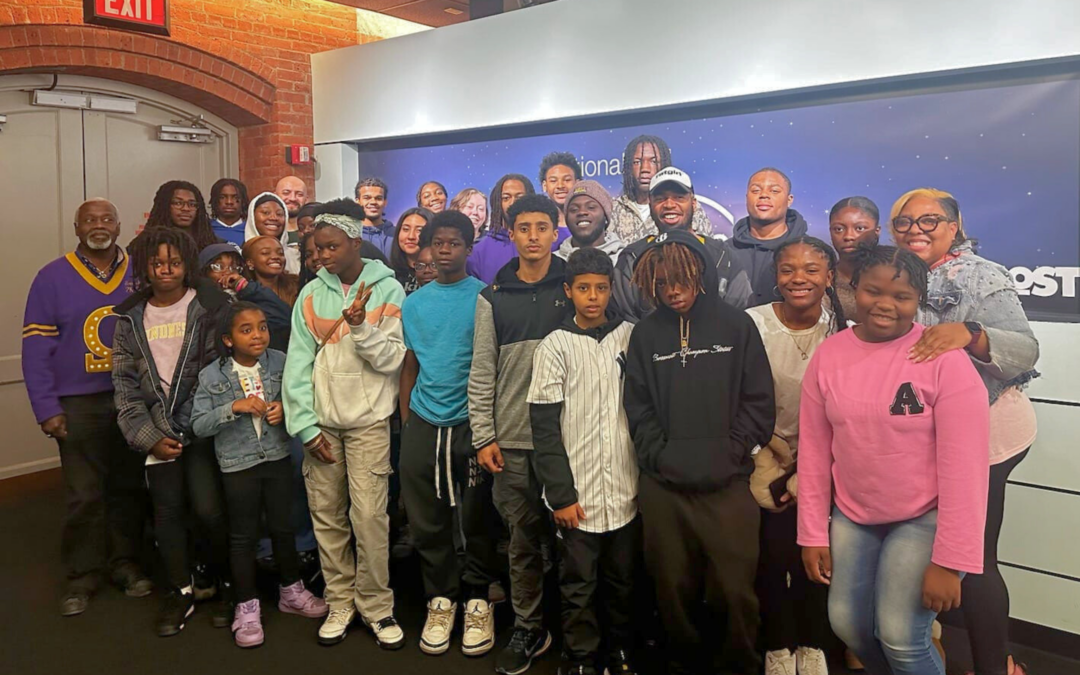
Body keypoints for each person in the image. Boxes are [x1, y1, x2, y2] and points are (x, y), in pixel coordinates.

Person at [799, 245, 991, 675]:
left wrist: (950, 561)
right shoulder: (830, 355)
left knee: (902, 638)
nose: (885, 304)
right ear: (854, 290)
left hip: (924, 517)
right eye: (873, 291)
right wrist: (812, 532)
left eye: (902, 297)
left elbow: (967, 471)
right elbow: (814, 452)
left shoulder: (943, 359)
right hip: (854, 515)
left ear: (918, 301)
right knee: (849, 626)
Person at [890, 188, 1039, 675]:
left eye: (929, 221)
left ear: (955, 226)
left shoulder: (980, 274)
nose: (916, 230)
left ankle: (996, 666)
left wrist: (972, 334)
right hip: (931, 437)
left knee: (971, 559)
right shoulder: (898, 273)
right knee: (941, 554)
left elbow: (1024, 350)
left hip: (988, 435)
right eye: (905, 222)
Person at [622, 229, 774, 675]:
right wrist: (660, 456)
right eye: (663, 283)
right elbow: (638, 407)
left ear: (701, 272)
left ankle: (741, 666)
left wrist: (731, 452)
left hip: (727, 485)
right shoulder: (646, 334)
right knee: (672, 591)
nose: (673, 291)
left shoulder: (735, 325)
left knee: (734, 591)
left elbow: (758, 401)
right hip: (664, 486)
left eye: (681, 280)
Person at [282, 204, 407, 649]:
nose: (324, 256)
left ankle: (376, 605)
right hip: (321, 425)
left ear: (356, 243)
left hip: (370, 423)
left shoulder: (388, 289)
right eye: (317, 250)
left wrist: (360, 328)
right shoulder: (312, 294)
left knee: (371, 517)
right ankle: (340, 600)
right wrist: (304, 425)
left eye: (332, 247)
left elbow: (393, 359)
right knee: (327, 516)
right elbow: (297, 364)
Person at [22, 198, 150, 617]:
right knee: (84, 493)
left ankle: (126, 563)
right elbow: (37, 348)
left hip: (130, 398)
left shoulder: (140, 270)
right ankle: (82, 574)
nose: (99, 225)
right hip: (77, 403)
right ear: (77, 228)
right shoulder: (51, 277)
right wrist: (46, 408)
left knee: (128, 488)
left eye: (107, 218)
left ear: (119, 225)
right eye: (90, 220)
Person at [469, 193, 572, 674]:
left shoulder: (572, 288)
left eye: (541, 227)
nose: (533, 236)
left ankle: (578, 630)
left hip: (570, 439)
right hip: (511, 439)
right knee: (522, 540)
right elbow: (482, 370)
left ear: (557, 231)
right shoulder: (491, 297)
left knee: (576, 543)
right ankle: (529, 626)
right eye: (523, 228)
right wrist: (483, 435)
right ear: (510, 234)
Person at [111, 227, 232, 637]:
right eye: (158, 263)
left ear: (186, 266)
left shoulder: (208, 307)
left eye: (174, 263)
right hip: (157, 434)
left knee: (209, 510)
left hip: (201, 429)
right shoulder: (129, 318)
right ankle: (180, 591)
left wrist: (197, 422)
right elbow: (125, 386)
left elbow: (221, 370)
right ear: (146, 267)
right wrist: (148, 436)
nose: (166, 270)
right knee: (167, 513)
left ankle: (218, 584)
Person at [528, 247, 639, 675]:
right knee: (578, 585)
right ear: (568, 291)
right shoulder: (555, 346)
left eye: (601, 288)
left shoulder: (630, 336)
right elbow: (544, 427)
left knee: (622, 582)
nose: (593, 297)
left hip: (626, 492)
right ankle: (580, 657)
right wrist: (560, 494)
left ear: (612, 289)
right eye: (583, 289)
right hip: (578, 495)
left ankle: (620, 653)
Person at [191, 303, 328, 648]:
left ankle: (291, 590)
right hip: (238, 464)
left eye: (262, 327)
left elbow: (303, 395)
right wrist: (231, 407)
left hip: (278, 457)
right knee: (243, 535)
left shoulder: (281, 362)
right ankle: (246, 605)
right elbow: (197, 425)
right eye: (246, 329)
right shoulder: (211, 376)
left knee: (284, 527)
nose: (258, 335)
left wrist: (287, 408)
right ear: (227, 339)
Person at [398, 211, 501, 657]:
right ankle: (441, 598)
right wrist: (406, 421)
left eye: (454, 243)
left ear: (468, 247)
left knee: (478, 516)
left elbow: (491, 368)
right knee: (426, 517)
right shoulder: (414, 303)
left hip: (471, 422)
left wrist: (487, 427)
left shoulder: (485, 297)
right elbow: (410, 363)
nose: (445, 250)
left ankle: (477, 597)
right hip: (424, 419)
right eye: (437, 243)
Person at [746, 237, 845, 675]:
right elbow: (734, 398)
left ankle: (813, 643)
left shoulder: (842, 331)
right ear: (775, 275)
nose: (798, 279)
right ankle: (777, 644)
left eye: (810, 270)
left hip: (823, 462)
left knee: (816, 554)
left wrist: (809, 469)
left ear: (829, 277)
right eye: (788, 269)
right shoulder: (750, 324)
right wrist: (767, 455)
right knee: (769, 557)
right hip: (762, 458)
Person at [612, 167, 752, 322]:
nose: (669, 204)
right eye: (660, 198)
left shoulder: (723, 256)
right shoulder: (633, 257)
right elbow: (626, 321)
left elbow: (739, 315)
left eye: (679, 197)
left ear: (693, 203)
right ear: (650, 205)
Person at [729, 168, 810, 307]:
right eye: (756, 190)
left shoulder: (809, 251)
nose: (764, 195)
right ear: (746, 197)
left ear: (789, 200)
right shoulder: (725, 251)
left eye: (774, 191)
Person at [610, 135, 713, 242]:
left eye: (653, 161)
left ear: (664, 164)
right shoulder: (614, 210)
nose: (645, 169)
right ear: (628, 167)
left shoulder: (689, 209)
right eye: (637, 162)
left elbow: (706, 250)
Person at [200, 242, 292, 352]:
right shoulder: (198, 303)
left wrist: (247, 287)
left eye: (234, 267)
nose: (228, 272)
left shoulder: (247, 297)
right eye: (218, 266)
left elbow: (283, 319)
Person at [466, 174, 536, 284]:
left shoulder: (545, 244)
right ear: (498, 202)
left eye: (519, 197)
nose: (512, 203)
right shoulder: (478, 253)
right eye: (506, 198)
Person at [827, 196, 881, 319]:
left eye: (859, 228)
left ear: (877, 231)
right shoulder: (823, 280)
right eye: (838, 229)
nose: (848, 236)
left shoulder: (895, 277)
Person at [556, 180, 624, 265]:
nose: (582, 212)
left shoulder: (625, 261)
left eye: (591, 207)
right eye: (574, 209)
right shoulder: (552, 263)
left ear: (605, 215)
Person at [145, 180, 220, 251]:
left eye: (192, 204)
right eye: (178, 203)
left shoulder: (211, 244)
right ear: (164, 206)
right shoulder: (147, 243)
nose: (186, 209)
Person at [245, 192, 301, 275]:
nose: (274, 218)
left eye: (279, 214)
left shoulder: (296, 256)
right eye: (266, 212)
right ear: (252, 217)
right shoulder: (240, 256)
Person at [242, 236, 300, 309]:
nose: (275, 257)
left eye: (280, 253)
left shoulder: (297, 285)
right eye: (265, 253)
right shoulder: (246, 293)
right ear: (250, 262)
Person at [388, 207, 435, 294]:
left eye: (419, 230)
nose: (411, 236)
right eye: (405, 229)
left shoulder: (441, 273)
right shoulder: (389, 273)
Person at [356, 177, 396, 258]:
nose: (373, 202)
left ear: (385, 202)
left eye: (378, 198)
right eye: (367, 198)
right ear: (358, 201)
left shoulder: (397, 234)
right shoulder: (349, 235)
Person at [209, 178, 250, 247]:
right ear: (215, 200)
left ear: (243, 201)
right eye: (222, 197)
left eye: (235, 197)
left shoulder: (250, 229)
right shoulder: (205, 229)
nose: (229, 202)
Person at [274, 175, 308, 242]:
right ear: (275, 196)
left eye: (299, 194)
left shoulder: (312, 232)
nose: (293, 198)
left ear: (306, 199)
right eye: (286, 193)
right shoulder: (268, 231)